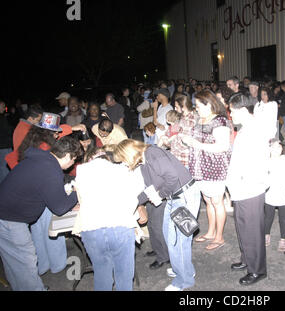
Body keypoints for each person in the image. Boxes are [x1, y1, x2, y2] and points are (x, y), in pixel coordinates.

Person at [113, 140, 201, 291]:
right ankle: (183, 269)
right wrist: (132, 203)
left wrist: (160, 195)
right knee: (169, 236)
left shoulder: (152, 153)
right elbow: (150, 189)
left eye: (123, 160)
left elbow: (172, 177)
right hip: (174, 197)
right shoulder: (144, 161)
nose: (125, 164)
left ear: (128, 154)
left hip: (184, 195)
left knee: (178, 241)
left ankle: (184, 280)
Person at [0, 136, 82, 290]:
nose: (73, 164)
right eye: (74, 159)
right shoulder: (51, 170)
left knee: (13, 261)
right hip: (10, 220)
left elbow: (47, 194)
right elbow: (59, 208)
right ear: (66, 156)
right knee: (26, 260)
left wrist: (68, 203)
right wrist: (77, 193)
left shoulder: (41, 160)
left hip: (5, 212)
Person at [72, 149, 145, 291]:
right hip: (120, 227)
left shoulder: (82, 171)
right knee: (124, 275)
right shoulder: (122, 170)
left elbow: (81, 201)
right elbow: (134, 197)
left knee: (101, 273)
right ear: (109, 159)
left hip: (91, 229)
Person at [225, 93, 271, 286]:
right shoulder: (247, 127)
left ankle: (257, 269)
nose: (230, 114)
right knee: (243, 227)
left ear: (243, 110)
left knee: (251, 230)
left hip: (250, 188)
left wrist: (239, 184)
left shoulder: (254, 129)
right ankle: (247, 259)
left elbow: (255, 163)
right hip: (242, 187)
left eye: (232, 110)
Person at [180, 90, 232, 251]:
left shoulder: (220, 121)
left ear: (208, 104)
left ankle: (219, 237)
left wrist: (197, 144)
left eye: (198, 105)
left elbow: (223, 146)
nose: (196, 109)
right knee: (208, 201)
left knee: (217, 202)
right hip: (201, 167)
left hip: (215, 167)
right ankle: (210, 232)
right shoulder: (201, 119)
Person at [264, 140, 285, 252]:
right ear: (269, 149)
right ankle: (266, 234)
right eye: (273, 147)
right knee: (268, 217)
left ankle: (283, 239)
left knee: (283, 218)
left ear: (282, 149)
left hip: (283, 193)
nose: (276, 149)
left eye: (279, 147)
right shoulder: (265, 161)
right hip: (270, 194)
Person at [0, 101, 13, 182]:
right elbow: (6, 130)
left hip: (5, 145)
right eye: (2, 106)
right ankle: (6, 183)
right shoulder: (2, 118)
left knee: (5, 165)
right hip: (3, 145)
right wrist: (12, 129)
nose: (4, 108)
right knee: (4, 166)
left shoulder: (3, 117)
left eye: (4, 106)